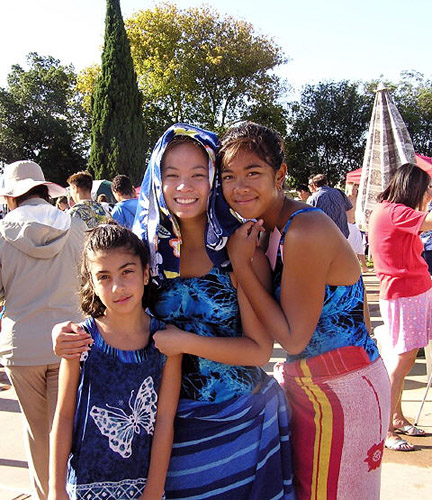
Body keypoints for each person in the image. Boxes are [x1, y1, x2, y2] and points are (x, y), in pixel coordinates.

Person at [53, 123, 295, 500]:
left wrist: (183, 342)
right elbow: (111, 312)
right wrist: (65, 334)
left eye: (198, 174)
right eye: (172, 175)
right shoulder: (145, 252)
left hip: (240, 424)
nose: (185, 186)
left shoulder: (241, 250)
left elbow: (259, 351)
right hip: (163, 434)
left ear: (214, 179)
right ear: (157, 180)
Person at [218, 121, 391, 500]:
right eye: (229, 176)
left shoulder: (304, 230)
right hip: (322, 385)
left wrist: (241, 264)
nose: (239, 186)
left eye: (253, 172)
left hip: (343, 391)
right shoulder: (270, 229)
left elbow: (294, 338)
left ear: (279, 174)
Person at [49, 224, 182, 499]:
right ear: (91, 283)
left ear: (145, 273)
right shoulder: (80, 340)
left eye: (127, 272)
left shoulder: (167, 343)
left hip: (143, 488)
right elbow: (63, 416)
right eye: (104, 277)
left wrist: (153, 491)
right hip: (84, 486)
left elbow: (164, 421)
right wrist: (55, 489)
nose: (117, 287)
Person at [0, 160, 86, 499]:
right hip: (72, 340)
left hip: (22, 346)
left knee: (37, 433)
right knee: (68, 431)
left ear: (10, 198)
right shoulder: (75, 226)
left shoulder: (2, 233)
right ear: (44, 191)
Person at [368, 163, 432, 452]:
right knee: (401, 363)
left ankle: (396, 418)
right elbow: (428, 221)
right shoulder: (395, 212)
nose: (428, 194)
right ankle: (387, 429)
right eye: (426, 189)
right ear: (413, 188)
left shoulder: (389, 210)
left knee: (404, 361)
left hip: (409, 293)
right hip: (405, 294)